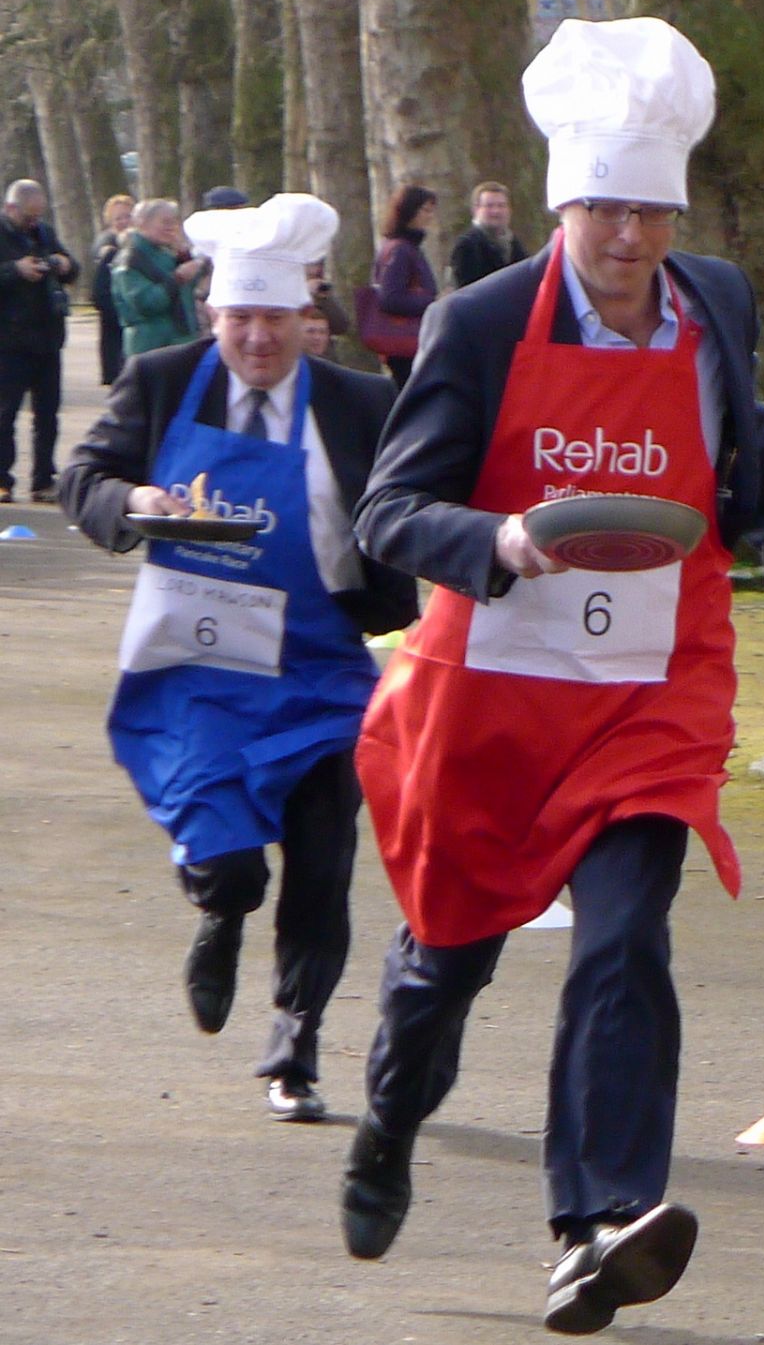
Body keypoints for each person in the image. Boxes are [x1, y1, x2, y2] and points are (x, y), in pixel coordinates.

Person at [337, 17, 764, 1335]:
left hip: (653, 689)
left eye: (650, 212)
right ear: (564, 202)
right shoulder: (478, 322)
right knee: (442, 966)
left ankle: (598, 1222)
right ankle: (393, 1118)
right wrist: (497, 539)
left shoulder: (717, 306)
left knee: (628, 935)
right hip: (492, 694)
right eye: (604, 211)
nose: (628, 240)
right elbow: (388, 512)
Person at [57, 194, 418, 1121]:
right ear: (213, 316)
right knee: (232, 861)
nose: (257, 339)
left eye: (275, 318)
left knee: (324, 850)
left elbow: (413, 503)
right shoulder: (163, 379)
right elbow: (81, 477)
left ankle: (295, 1039)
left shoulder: (362, 402)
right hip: (203, 662)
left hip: (324, 661)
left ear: (308, 317)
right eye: (239, 319)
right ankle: (220, 911)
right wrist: (138, 498)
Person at [0, 179, 78, 504]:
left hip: (47, 338)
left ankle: (43, 479)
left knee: (48, 414)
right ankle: (2, 479)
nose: (33, 223)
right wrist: (14, 270)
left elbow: (74, 269)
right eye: (28, 217)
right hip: (8, 341)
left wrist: (64, 264)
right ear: (10, 208)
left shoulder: (44, 233)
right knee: (5, 413)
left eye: (37, 216)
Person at [114, 199, 204, 360]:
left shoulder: (164, 254)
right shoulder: (131, 259)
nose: (172, 228)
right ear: (142, 223)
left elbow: (188, 291)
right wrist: (178, 278)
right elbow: (145, 303)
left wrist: (184, 255)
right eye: (165, 222)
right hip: (150, 346)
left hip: (178, 343)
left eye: (174, 222)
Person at [372, 184, 439, 386]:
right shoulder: (401, 250)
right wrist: (433, 301)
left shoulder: (406, 248)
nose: (429, 216)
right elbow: (391, 298)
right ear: (410, 211)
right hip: (405, 344)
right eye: (425, 210)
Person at [448, 179, 530, 288]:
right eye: (489, 206)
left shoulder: (514, 243)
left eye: (501, 205)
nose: (496, 211)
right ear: (476, 210)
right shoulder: (467, 245)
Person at [92, 194, 136, 386]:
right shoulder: (108, 246)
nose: (124, 222)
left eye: (128, 216)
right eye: (118, 218)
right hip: (115, 322)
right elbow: (99, 293)